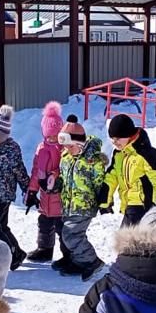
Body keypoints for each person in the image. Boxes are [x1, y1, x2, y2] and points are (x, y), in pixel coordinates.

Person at [55, 115, 107, 281]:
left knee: (72, 235)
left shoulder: (92, 161)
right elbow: (63, 178)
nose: (67, 150)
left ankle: (92, 261)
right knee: (71, 234)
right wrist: (56, 184)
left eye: (70, 146)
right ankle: (79, 262)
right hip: (69, 204)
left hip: (84, 205)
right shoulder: (66, 158)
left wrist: (103, 200)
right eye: (65, 146)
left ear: (80, 144)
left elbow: (100, 183)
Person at [0, 105, 30, 270]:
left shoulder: (11, 151)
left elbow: (20, 171)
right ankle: (16, 252)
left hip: (2, 195)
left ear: (1, 136)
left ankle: (12, 253)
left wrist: (28, 189)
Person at [99, 115, 156, 227]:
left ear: (128, 135)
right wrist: (104, 202)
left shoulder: (145, 153)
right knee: (135, 240)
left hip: (141, 204)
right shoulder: (119, 154)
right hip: (128, 204)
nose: (114, 142)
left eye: (117, 139)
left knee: (126, 240)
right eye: (112, 138)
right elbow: (111, 178)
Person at [25, 101, 66, 264]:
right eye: (48, 136)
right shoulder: (41, 148)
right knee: (44, 223)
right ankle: (45, 249)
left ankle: (67, 254)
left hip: (59, 196)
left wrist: (56, 177)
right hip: (44, 197)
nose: (51, 139)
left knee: (62, 227)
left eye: (55, 136)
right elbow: (36, 171)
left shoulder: (63, 149)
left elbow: (66, 168)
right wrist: (32, 191)